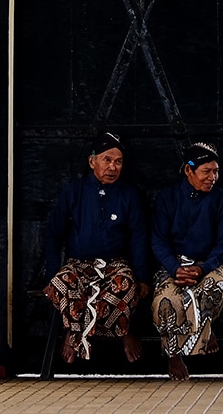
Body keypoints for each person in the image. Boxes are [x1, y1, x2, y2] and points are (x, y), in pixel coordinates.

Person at [43, 132, 151, 365]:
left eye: (118, 161)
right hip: (79, 264)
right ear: (92, 162)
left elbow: (139, 238)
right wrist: (52, 272)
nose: (113, 167)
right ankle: (80, 333)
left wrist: (141, 276)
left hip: (114, 265)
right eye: (107, 160)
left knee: (126, 288)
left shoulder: (128, 195)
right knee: (63, 284)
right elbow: (53, 233)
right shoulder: (74, 192)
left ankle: (112, 331)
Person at [150, 141, 223, 380]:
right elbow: (158, 241)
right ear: (188, 170)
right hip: (175, 264)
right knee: (166, 301)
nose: (212, 177)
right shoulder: (167, 198)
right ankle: (174, 356)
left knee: (212, 290)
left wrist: (203, 267)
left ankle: (204, 330)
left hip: (208, 263)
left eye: (216, 171)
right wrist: (174, 268)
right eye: (206, 172)